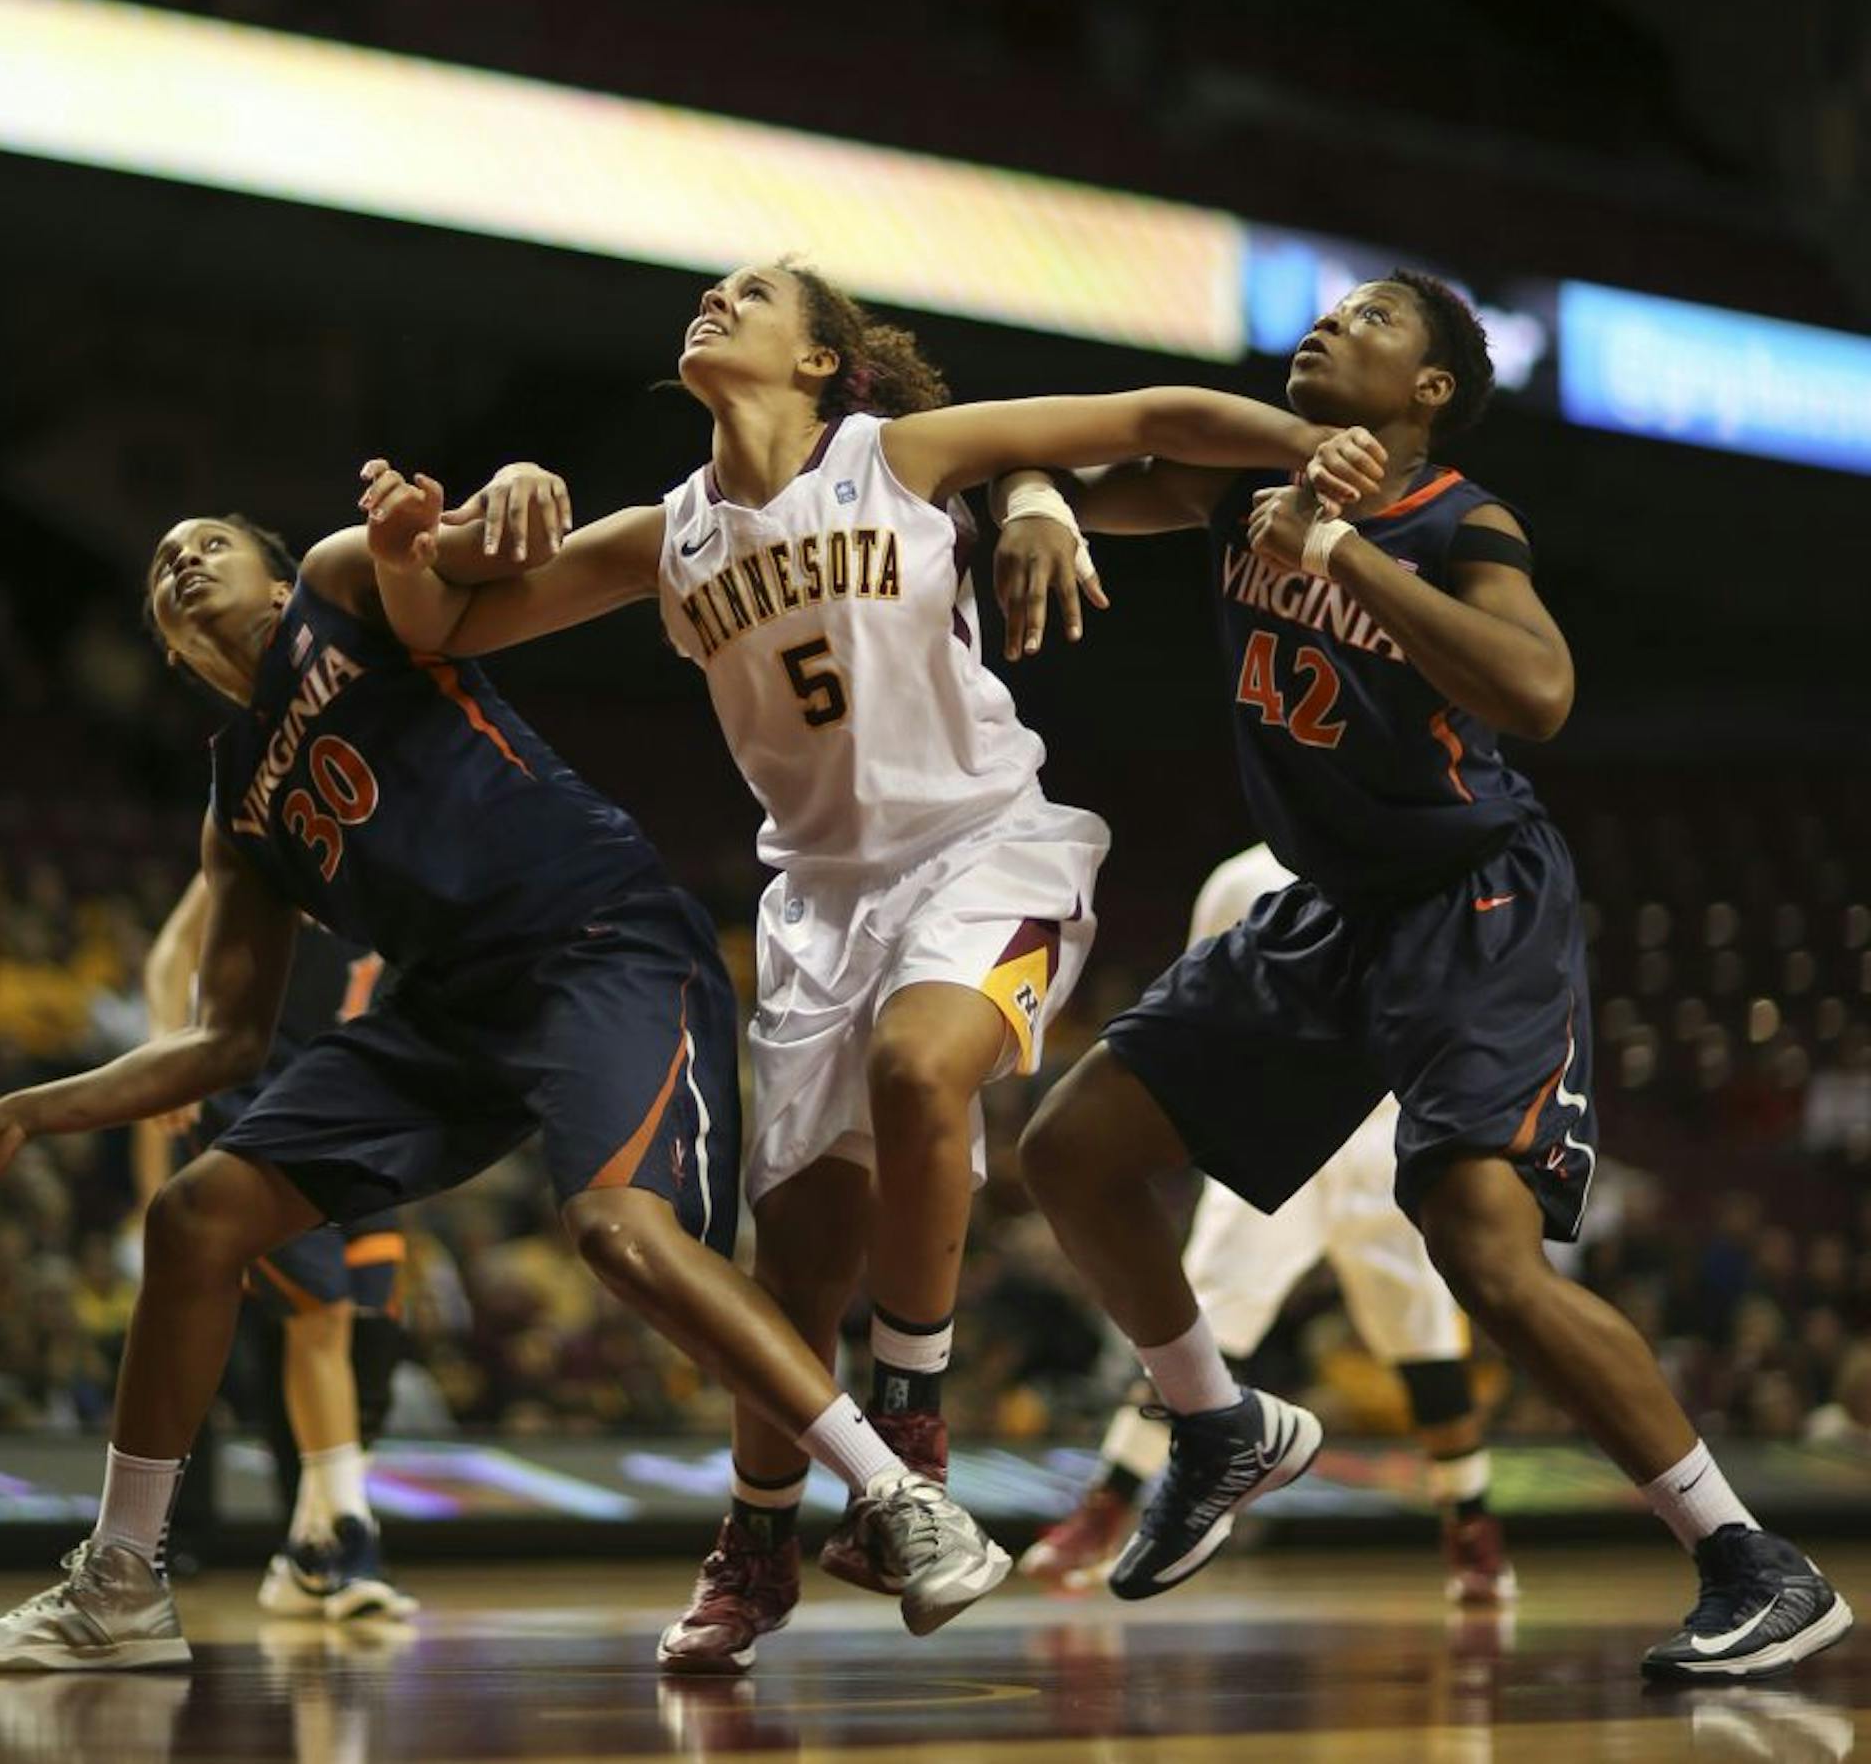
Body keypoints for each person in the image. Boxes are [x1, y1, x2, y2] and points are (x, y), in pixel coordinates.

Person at [353, 256, 1383, 1673]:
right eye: (712, 292)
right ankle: (757, 1544)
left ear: (824, 361)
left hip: (985, 846)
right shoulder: (670, 533)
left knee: (923, 1066)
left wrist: (1304, 445)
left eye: (754, 295)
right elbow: (449, 632)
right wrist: (433, 538)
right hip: (818, 904)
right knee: (796, 1270)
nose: (716, 300)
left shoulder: (897, 456)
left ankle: (909, 1425)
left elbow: (1146, 412)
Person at [0, 502, 1014, 1671]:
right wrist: (25, 1108)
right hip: (448, 1009)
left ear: (273, 586)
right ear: (171, 652)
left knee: (619, 1234)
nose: (179, 556)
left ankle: (898, 1497)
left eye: (210, 542)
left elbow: (471, 561)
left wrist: (501, 497)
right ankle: (120, 1581)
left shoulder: (332, 587)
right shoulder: (238, 805)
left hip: (597, 939)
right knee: (195, 1217)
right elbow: (221, 1040)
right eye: (163, 560)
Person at [992, 272, 1853, 1682]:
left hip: (1475, 894)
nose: (1331, 324)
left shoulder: (1459, 515)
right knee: (1073, 1148)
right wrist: (1035, 494)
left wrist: (1340, 551)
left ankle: (1750, 1559)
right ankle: (1216, 1424)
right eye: (1327, 312)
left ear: (1431, 390)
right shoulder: (1237, 481)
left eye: (1373, 319)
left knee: (1483, 1251)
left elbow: (1541, 691)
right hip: (1330, 906)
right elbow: (1030, 445)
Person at [1021, 842, 1514, 1605]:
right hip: (1274, 1133)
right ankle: (1104, 1512)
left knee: (1427, 1345)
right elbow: (1193, 1015)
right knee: (1195, 1329)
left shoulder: (1417, 863)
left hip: (1390, 1132)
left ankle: (1473, 1535)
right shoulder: (1243, 879)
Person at [133, 873, 414, 1621]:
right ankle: (351, 1547)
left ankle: (307, 1551)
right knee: (319, 1320)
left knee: (377, 1333)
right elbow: (169, 958)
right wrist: (168, 1048)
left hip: (357, 1113)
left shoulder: (417, 860)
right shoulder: (276, 833)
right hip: (260, 1108)